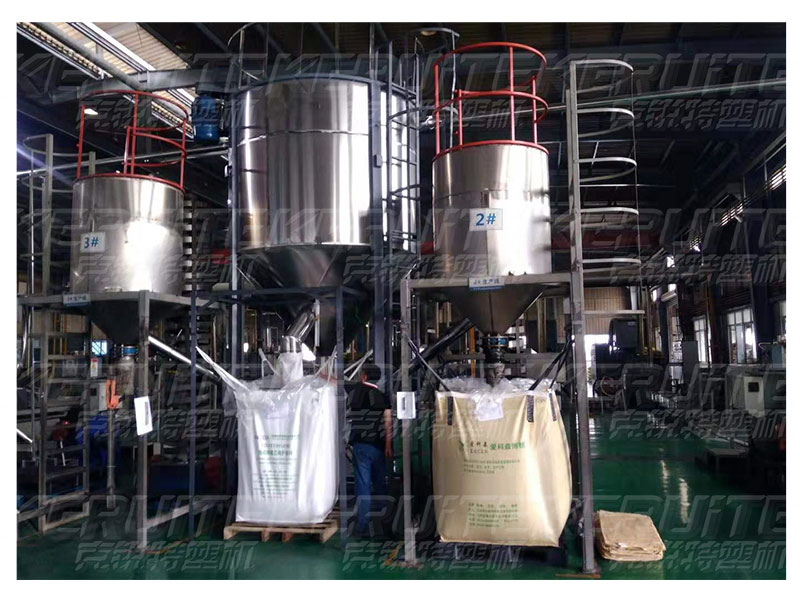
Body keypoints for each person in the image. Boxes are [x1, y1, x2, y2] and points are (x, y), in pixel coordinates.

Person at [347, 363, 392, 537]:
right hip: (379, 447)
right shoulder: (383, 397)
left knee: (363, 486)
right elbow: (388, 423)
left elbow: (335, 381)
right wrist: (388, 446)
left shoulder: (356, 390)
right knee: (380, 485)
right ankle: (383, 524)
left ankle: (362, 527)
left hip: (361, 446)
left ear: (364, 376)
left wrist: (321, 374)